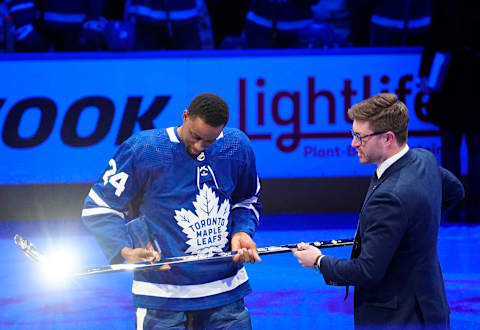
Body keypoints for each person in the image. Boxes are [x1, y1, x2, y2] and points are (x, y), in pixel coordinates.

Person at [82, 93, 262, 329]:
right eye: (195, 136)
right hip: (162, 297)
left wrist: (242, 231)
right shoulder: (144, 149)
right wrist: (124, 250)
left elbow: (247, 199)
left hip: (226, 292)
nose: (199, 147)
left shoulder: (236, 145)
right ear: (185, 116)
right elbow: (101, 205)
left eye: (209, 141)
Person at [293, 93, 464, 329]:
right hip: (431, 307)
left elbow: (366, 272)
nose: (353, 144)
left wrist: (319, 261)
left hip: (399, 318)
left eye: (359, 137)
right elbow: (456, 191)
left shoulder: (390, 197)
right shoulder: (424, 159)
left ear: (387, 138)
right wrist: (411, 229)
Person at [418, 0, 480, 222]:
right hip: (474, 78)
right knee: (476, 149)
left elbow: (433, 38)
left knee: (451, 147)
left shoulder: (445, 5)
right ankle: (475, 208)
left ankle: (454, 207)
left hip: (449, 77)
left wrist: (425, 72)